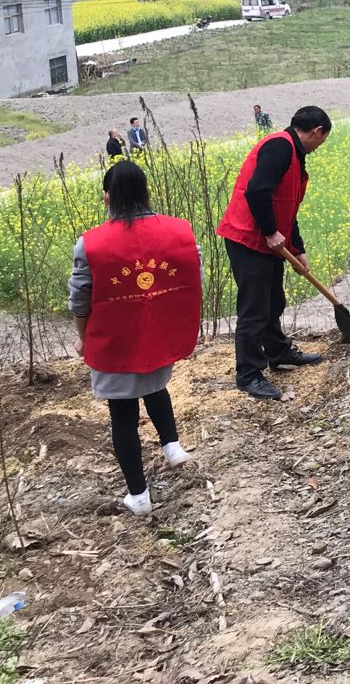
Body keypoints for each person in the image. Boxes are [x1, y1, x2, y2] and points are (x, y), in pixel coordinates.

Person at [69, 161, 200, 515]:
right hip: (159, 334)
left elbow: (80, 300)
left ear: (107, 197)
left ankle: (139, 496)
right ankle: (173, 448)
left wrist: (84, 338)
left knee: (123, 413)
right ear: (146, 193)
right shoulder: (180, 231)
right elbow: (192, 276)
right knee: (156, 385)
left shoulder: (90, 244)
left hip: (116, 342)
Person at [216, 106, 332, 400]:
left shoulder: (294, 154)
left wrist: (298, 249)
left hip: (267, 241)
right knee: (254, 308)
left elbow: (286, 207)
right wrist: (269, 232)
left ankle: (278, 353)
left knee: (273, 301)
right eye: (323, 140)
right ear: (317, 131)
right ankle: (249, 374)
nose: (321, 146)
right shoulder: (280, 146)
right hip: (247, 238)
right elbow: (256, 192)